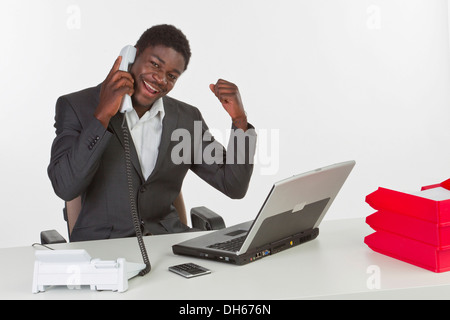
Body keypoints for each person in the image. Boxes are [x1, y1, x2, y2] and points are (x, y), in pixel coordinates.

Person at [48, 24, 257, 242]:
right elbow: (65, 186)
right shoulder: (76, 106)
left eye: (172, 76)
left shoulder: (186, 118)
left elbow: (234, 186)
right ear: (133, 55)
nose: (161, 79)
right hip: (105, 252)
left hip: (167, 247)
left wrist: (239, 121)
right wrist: (102, 115)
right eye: (155, 64)